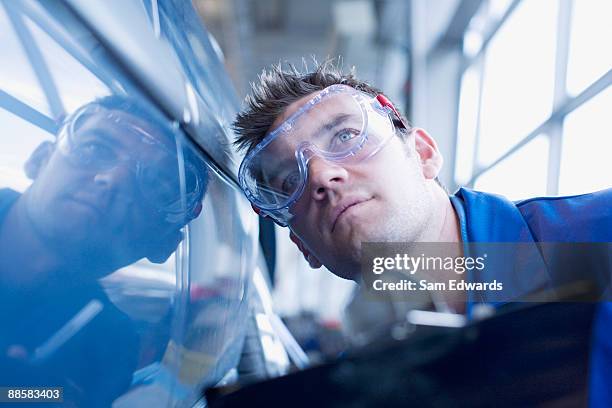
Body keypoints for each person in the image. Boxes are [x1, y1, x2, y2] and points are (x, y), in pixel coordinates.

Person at [232, 61, 612, 406]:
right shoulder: (357, 392)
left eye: (345, 136)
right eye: (288, 179)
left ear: (424, 153)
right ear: (302, 245)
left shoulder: (600, 236)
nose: (320, 176)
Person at [0, 95, 208, 406]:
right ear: (40, 159)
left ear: (164, 244)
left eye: (157, 185)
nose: (113, 179)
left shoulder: (108, 344)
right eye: (95, 148)